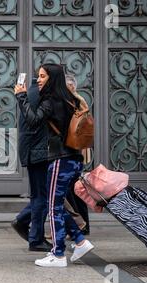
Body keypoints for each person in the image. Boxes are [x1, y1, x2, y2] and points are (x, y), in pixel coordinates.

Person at [15, 63, 94, 267]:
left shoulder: (51, 101)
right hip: (73, 158)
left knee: (53, 207)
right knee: (56, 205)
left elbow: (33, 120)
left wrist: (21, 96)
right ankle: (80, 241)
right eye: (38, 76)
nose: (38, 80)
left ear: (52, 78)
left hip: (60, 159)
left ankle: (58, 255)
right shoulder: (69, 100)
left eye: (42, 76)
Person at [11, 76, 52, 251]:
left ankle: (25, 223)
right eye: (42, 75)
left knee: (40, 195)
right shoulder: (41, 94)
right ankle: (34, 237)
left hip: (33, 150)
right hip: (39, 151)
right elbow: (34, 120)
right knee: (42, 196)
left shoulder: (33, 92)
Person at [65, 74, 90, 235]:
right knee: (73, 189)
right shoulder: (76, 101)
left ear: (73, 87)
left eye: (67, 86)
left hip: (74, 151)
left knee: (73, 189)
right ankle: (80, 224)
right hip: (75, 150)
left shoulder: (77, 102)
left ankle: (81, 225)